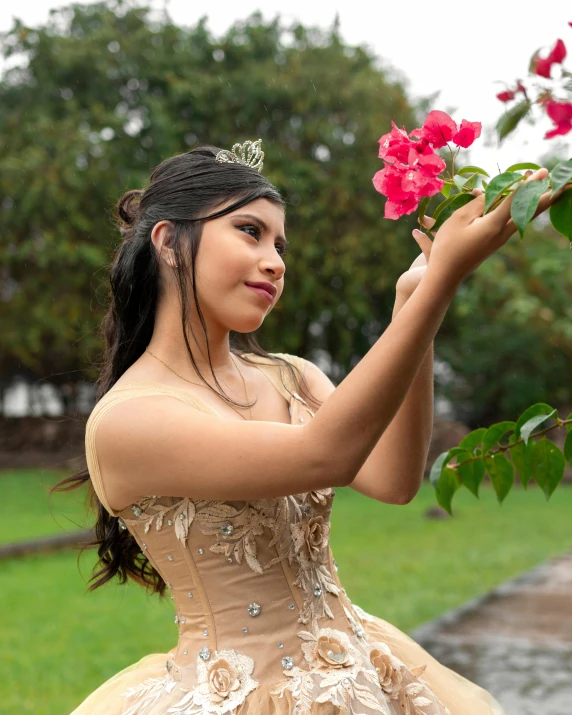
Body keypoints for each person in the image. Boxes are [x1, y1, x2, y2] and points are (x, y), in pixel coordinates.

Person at [62, 138, 554, 715]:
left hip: (364, 673)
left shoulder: (291, 377)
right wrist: (444, 277)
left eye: (280, 243)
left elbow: (395, 481)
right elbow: (327, 456)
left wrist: (415, 302)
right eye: (250, 231)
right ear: (169, 242)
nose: (275, 260)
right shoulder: (130, 419)